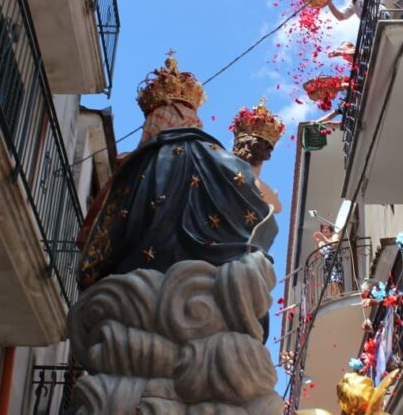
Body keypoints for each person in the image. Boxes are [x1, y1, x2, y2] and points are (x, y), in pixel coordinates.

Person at [77, 53, 273, 290]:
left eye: (156, 120)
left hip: (140, 277)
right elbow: (246, 190)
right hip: (185, 273)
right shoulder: (206, 154)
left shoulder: (139, 163)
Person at [313, 222, 344, 299]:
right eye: (323, 228)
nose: (325, 230)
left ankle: (337, 297)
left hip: (334, 262)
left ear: (330, 229)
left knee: (335, 280)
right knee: (330, 283)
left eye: (327, 228)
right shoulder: (321, 242)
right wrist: (317, 242)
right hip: (326, 265)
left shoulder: (335, 236)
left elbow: (334, 244)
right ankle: (334, 297)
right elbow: (317, 255)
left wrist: (323, 237)